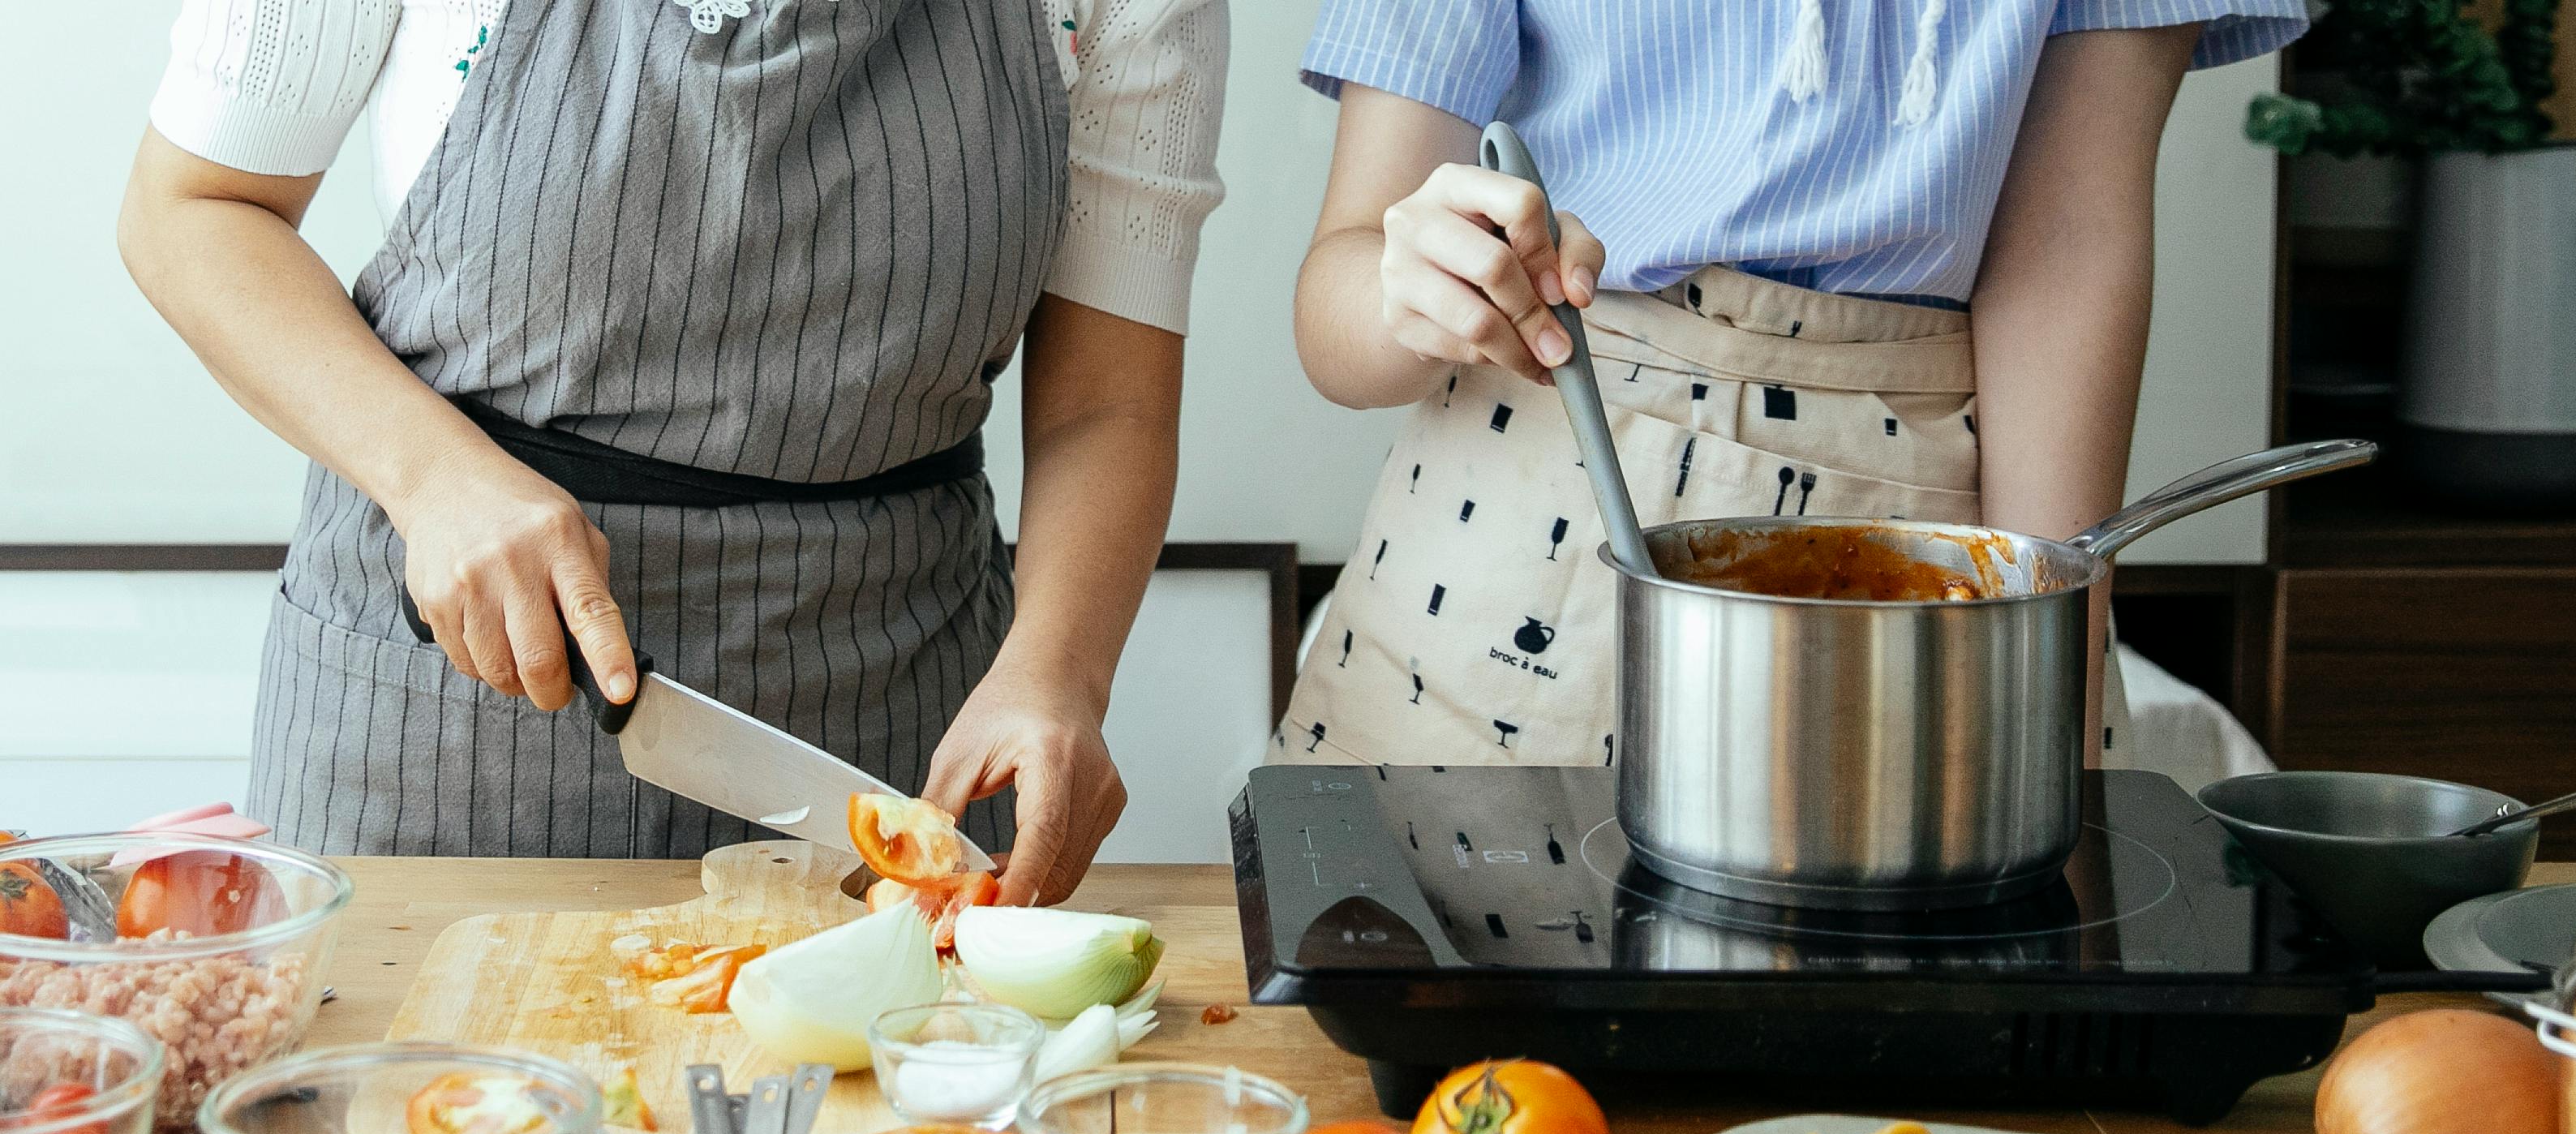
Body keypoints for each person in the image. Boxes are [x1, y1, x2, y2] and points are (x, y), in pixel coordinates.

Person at [119, 0, 1229, 902]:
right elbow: (193, 209)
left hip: (900, 721)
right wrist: (434, 476)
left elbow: (1107, 404)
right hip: (441, 704)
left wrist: (1059, 673)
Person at [1277, 0, 2302, 769]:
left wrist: (2048, 675)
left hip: (1917, 523)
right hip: (1510, 525)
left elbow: (2067, 253)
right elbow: (1337, 312)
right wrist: (1416, 287)